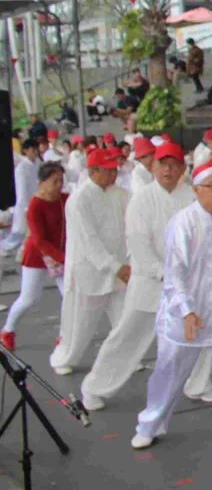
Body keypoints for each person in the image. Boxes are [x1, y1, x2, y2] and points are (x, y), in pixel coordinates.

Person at [131, 156, 212, 448]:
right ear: (196, 189)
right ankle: (150, 425)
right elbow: (174, 274)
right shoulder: (183, 223)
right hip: (185, 315)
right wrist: (187, 310)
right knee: (169, 373)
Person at [81, 142, 193, 409]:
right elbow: (138, 242)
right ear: (153, 166)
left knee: (198, 335)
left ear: (182, 169)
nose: (168, 169)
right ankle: (94, 387)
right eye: (162, 163)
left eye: (173, 164)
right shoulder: (141, 199)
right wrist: (162, 273)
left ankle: (197, 384)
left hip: (185, 284)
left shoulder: (191, 196)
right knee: (127, 338)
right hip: (149, 284)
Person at [50, 147, 130, 375]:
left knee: (124, 319)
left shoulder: (120, 194)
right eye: (108, 170)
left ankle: (123, 359)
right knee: (80, 325)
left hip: (119, 269)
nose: (113, 174)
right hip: (91, 272)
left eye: (114, 169)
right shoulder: (79, 200)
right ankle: (65, 358)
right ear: (93, 171)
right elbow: (89, 242)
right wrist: (116, 267)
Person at [2, 162, 66, 350]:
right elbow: (39, 240)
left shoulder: (64, 199)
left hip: (59, 254)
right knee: (29, 298)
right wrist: (63, 257)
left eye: (61, 180)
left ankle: (64, 336)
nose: (59, 185)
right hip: (38, 256)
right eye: (55, 181)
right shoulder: (35, 205)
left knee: (69, 297)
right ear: (42, 182)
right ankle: (7, 330)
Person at [3, 135, 42, 256]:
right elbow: (21, 190)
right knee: (19, 231)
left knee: (32, 230)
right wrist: (25, 206)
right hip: (24, 203)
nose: (35, 152)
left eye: (36, 149)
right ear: (25, 151)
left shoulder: (38, 163)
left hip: (35, 200)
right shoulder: (21, 168)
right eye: (32, 149)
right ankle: (4, 246)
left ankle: (25, 250)